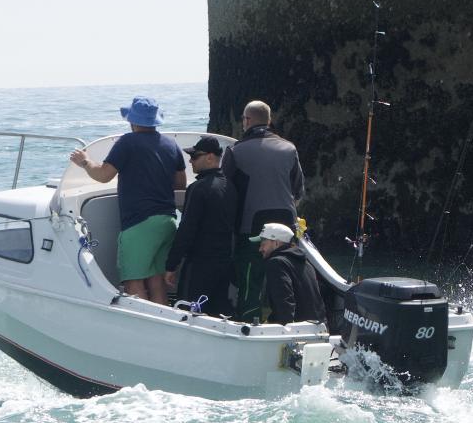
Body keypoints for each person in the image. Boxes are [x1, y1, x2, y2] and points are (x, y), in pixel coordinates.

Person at [68, 95, 186, 304]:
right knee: (156, 280)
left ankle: (143, 328)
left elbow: (103, 175)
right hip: (167, 221)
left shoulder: (127, 142)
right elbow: (180, 184)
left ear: (132, 121)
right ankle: (162, 326)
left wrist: (84, 161)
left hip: (140, 224)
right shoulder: (170, 144)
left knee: (134, 282)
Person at [222, 100, 304, 317]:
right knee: (287, 279)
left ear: (247, 121)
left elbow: (224, 195)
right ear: (269, 121)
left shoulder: (235, 151)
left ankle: (249, 323)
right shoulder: (289, 149)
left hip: (252, 231)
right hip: (287, 229)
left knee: (250, 284)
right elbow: (298, 192)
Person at [165, 135, 237, 316]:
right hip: (225, 261)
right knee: (219, 313)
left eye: (195, 156)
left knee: (190, 312)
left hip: (200, 263)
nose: (190, 161)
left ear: (210, 157)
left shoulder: (199, 189)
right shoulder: (230, 187)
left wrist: (171, 265)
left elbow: (187, 230)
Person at [254, 222, 325, 324]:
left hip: (295, 334)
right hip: (318, 328)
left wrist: (282, 330)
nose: (260, 249)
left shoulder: (276, 263)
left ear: (276, 243)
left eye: (263, 244)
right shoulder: (306, 264)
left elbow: (284, 304)